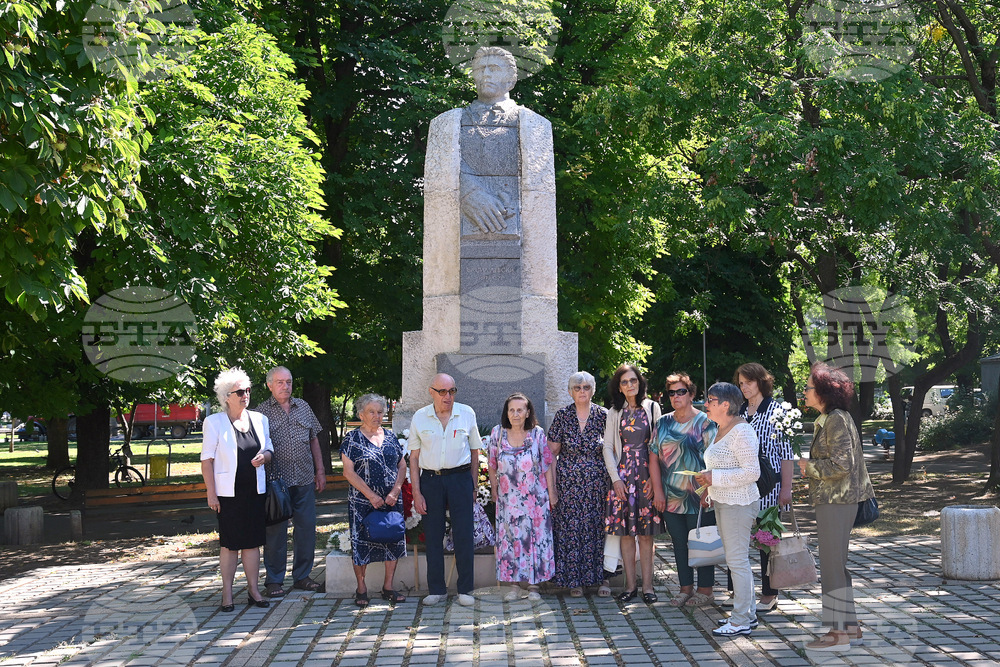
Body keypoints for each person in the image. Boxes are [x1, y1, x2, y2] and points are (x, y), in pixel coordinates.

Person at [798, 363, 875, 651]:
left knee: (831, 568)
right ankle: (851, 629)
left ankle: (837, 634)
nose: (804, 392)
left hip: (836, 501)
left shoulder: (836, 419)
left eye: (808, 388)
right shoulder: (833, 418)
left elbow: (842, 465)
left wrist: (809, 467)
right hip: (838, 501)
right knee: (837, 567)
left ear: (823, 392)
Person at [201, 368, 273, 612]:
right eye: (240, 391)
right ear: (226, 396)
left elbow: (269, 448)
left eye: (248, 390)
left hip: (255, 491)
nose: (246, 395)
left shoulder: (260, 419)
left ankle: (254, 590)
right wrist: (211, 493)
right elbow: (207, 460)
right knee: (230, 544)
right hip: (227, 494)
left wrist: (264, 456)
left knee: (252, 543)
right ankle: (228, 593)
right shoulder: (213, 422)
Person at [409, 373, 482, 606]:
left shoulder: (466, 413)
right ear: (431, 392)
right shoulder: (420, 417)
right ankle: (437, 590)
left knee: (463, 534)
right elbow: (413, 458)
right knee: (432, 534)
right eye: (442, 392)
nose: (447, 396)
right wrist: (417, 493)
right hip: (431, 480)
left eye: (451, 391)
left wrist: (473, 485)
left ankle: (466, 590)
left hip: (460, 478)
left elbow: (474, 453)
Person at [696, 382, 760, 638]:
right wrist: (710, 491)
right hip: (724, 501)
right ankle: (749, 614)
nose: (706, 404)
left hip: (740, 504)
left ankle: (741, 619)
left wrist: (714, 479)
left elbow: (752, 472)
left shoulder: (742, 431)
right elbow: (722, 468)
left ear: (725, 404)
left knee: (737, 563)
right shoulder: (719, 429)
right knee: (737, 562)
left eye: (710, 400)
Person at [649, 372, 718, 608]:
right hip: (671, 496)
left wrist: (709, 491)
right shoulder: (663, 422)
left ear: (691, 394)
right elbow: (653, 457)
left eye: (681, 391)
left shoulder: (706, 423)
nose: (676, 396)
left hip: (700, 496)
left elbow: (715, 459)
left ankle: (706, 591)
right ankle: (685, 589)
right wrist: (658, 490)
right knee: (679, 543)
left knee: (703, 542)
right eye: (672, 392)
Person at [731, 362, 794, 612]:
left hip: (769, 486)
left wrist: (786, 489)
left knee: (767, 539)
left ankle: (770, 593)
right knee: (738, 538)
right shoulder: (739, 411)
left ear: (761, 381)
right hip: (741, 484)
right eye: (741, 383)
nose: (744, 387)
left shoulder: (777, 411)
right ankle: (739, 592)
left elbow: (787, 453)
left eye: (748, 381)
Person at [258, 366, 326, 596]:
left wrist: (320, 471)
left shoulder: (304, 407)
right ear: (269, 385)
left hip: (305, 478)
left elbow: (314, 439)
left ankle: (302, 576)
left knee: (306, 529)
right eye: (280, 382)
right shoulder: (261, 413)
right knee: (275, 532)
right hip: (276, 483)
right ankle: (274, 580)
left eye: (288, 382)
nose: (285, 386)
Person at [603, 364, 665, 603]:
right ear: (619, 387)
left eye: (634, 380)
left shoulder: (652, 408)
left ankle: (648, 587)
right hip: (622, 479)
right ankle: (630, 587)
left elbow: (658, 444)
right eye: (625, 382)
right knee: (626, 535)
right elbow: (608, 447)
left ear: (640, 383)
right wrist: (615, 478)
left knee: (647, 534)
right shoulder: (614, 413)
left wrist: (654, 479)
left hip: (646, 475)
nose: (630, 385)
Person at [547, 371, 611, 597]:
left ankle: (604, 579)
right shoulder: (563, 415)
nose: (582, 391)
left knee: (599, 530)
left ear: (593, 390)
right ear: (570, 391)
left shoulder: (604, 415)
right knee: (571, 531)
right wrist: (552, 488)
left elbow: (614, 450)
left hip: (598, 486)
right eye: (577, 387)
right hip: (568, 487)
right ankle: (575, 581)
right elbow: (551, 452)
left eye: (586, 387)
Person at [488, 393, 556, 601]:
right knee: (510, 540)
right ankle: (514, 585)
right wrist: (494, 490)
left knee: (535, 539)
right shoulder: (497, 433)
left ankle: (534, 586)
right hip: (509, 499)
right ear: (506, 413)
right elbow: (492, 465)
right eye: (512, 410)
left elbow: (547, 465)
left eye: (520, 410)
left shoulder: (537, 434)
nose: (516, 414)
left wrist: (552, 493)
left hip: (535, 499)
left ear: (528, 413)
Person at [341, 394, 408, 607]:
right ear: (361, 414)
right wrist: (371, 495)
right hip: (362, 500)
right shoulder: (352, 439)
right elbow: (348, 473)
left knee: (392, 538)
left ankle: (388, 587)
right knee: (361, 543)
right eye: (372, 412)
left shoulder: (390, 437)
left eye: (380, 412)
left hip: (390, 499)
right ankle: (361, 588)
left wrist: (396, 491)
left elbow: (402, 465)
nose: (377, 416)